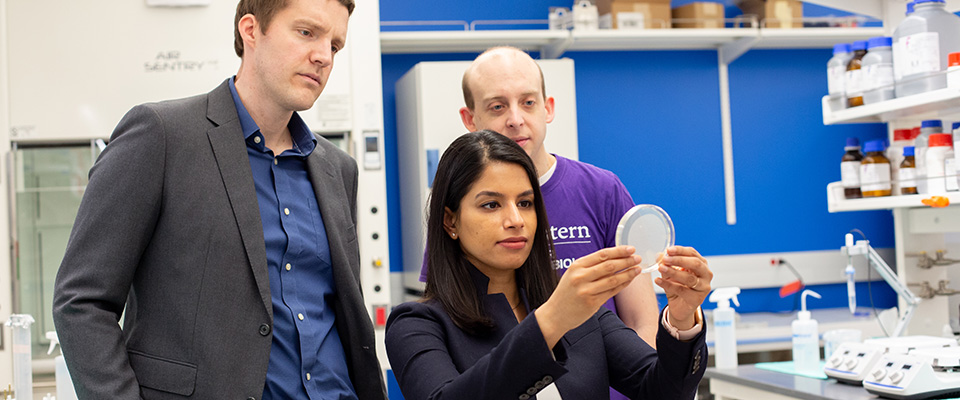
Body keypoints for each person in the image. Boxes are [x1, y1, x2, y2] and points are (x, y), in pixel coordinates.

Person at [51, 0, 386, 399]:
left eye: (335, 45)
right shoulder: (162, 136)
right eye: (306, 33)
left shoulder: (338, 169)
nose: (323, 56)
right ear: (250, 31)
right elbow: (82, 301)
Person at [388, 130, 712, 400]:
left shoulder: (581, 308)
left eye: (525, 203)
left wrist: (682, 321)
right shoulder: (417, 326)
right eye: (491, 204)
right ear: (450, 221)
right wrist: (550, 321)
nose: (516, 220)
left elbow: (663, 391)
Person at [423, 46, 663, 350]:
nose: (515, 119)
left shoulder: (602, 190)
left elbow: (642, 320)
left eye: (528, 102)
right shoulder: (461, 206)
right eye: (497, 107)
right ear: (470, 119)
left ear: (547, 108)